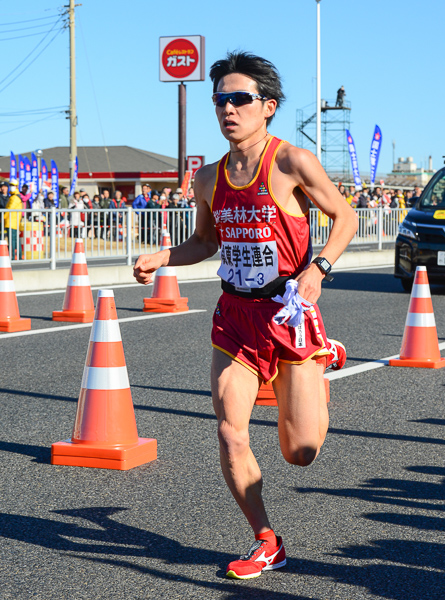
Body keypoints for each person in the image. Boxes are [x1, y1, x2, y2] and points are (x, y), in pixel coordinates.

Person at [133, 51, 358, 580]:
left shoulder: (292, 162)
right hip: (234, 315)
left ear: (269, 107)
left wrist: (319, 268)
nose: (228, 108)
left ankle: (320, 359)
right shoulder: (208, 178)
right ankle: (265, 539)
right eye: (220, 100)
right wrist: (165, 256)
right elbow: (206, 242)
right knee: (230, 432)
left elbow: (344, 216)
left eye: (240, 99)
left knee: (300, 452)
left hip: (288, 314)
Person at [4, 180, 22, 260]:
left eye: (13, 185)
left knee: (12, 240)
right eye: (10, 185)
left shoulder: (15, 197)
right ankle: (18, 256)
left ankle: (13, 256)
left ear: (17, 186)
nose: (11, 186)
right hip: (11, 222)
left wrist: (3, 217)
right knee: (15, 239)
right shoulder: (13, 196)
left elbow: (9, 209)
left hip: (11, 222)